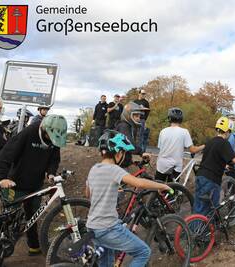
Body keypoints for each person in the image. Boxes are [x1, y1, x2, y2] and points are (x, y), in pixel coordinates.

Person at [85, 130, 171, 267]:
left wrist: (110, 189)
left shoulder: (94, 169)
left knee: (106, 263)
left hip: (92, 227)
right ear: (118, 153)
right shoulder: (114, 170)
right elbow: (140, 183)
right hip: (108, 228)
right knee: (143, 252)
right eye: (124, 153)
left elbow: (88, 194)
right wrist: (161, 185)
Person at [0, 115, 67, 255]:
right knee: (7, 218)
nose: (52, 141)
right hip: (14, 183)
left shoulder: (55, 138)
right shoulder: (28, 133)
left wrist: (51, 172)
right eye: (50, 136)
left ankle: (34, 246)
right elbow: (5, 155)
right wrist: (2, 178)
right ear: (44, 128)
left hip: (35, 184)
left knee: (33, 216)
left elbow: (54, 159)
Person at [193, 116, 235, 215]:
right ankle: (203, 229)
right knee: (211, 209)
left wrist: (224, 165)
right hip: (211, 180)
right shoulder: (224, 143)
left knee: (199, 207)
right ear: (227, 131)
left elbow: (211, 158)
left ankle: (194, 228)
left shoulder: (210, 141)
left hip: (200, 176)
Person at [155, 108, 205, 181]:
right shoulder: (184, 132)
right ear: (181, 119)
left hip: (161, 165)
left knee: (158, 188)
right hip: (175, 167)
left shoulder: (163, 131)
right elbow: (193, 150)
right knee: (172, 189)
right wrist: (204, 146)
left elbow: (160, 148)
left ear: (169, 118)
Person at [115, 102, 149, 167]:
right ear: (128, 115)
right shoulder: (124, 126)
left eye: (139, 116)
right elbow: (129, 145)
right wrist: (142, 152)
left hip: (122, 161)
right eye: (136, 116)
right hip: (120, 165)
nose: (138, 119)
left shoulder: (128, 126)